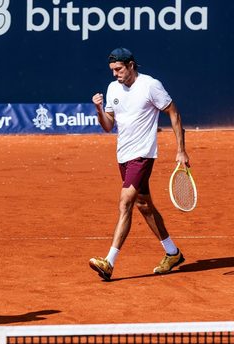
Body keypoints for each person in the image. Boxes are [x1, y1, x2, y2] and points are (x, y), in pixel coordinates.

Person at [88, 48, 189, 281]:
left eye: (119, 69)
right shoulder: (113, 88)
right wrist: (98, 110)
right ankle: (172, 252)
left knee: (125, 203)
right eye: (112, 70)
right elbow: (108, 125)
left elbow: (173, 113)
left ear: (131, 65)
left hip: (142, 155)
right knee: (144, 205)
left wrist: (181, 150)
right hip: (123, 156)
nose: (115, 74)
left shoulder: (150, 85)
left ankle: (109, 262)